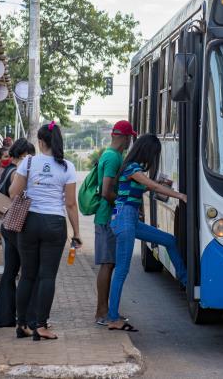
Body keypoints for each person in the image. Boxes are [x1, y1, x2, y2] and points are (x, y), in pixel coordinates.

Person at [8, 121, 82, 340]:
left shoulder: (28, 162)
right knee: (47, 276)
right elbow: (70, 204)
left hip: (29, 222)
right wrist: (76, 233)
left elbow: (13, 193)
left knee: (27, 275)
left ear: (40, 142)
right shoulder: (67, 166)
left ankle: (22, 324)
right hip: (54, 224)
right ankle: (40, 325)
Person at [107, 134, 188, 332]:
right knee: (121, 271)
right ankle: (113, 318)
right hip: (125, 219)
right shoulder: (133, 168)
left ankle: (186, 281)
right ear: (148, 152)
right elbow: (151, 186)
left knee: (169, 240)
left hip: (129, 218)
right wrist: (180, 195)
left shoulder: (134, 169)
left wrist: (165, 187)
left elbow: (149, 189)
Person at [93, 121, 136, 325]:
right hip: (106, 217)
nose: (129, 142)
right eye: (129, 137)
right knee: (107, 264)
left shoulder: (112, 155)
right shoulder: (113, 158)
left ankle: (105, 310)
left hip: (109, 216)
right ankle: (102, 312)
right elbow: (106, 190)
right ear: (125, 137)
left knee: (109, 264)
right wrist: (122, 204)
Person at [0, 138, 36, 328]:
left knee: (9, 272)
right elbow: (19, 194)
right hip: (18, 224)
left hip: (7, 223)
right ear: (24, 155)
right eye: (31, 155)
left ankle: (4, 317)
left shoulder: (6, 170)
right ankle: (26, 317)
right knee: (27, 273)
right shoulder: (17, 173)